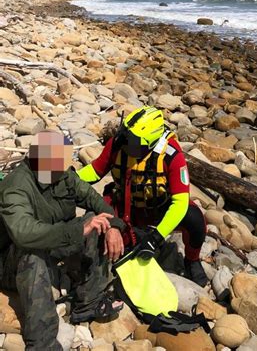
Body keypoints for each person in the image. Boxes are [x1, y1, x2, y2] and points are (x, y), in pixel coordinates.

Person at [0, 131, 125, 351]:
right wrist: (76, 230)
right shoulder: (16, 186)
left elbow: (93, 200)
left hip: (52, 243)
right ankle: (42, 343)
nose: (63, 168)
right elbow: (23, 233)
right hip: (10, 261)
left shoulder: (61, 174)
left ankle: (88, 302)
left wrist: (113, 226)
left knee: (97, 223)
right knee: (33, 253)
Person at [78, 106, 208, 286]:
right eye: (126, 135)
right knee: (98, 230)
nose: (126, 143)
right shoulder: (118, 143)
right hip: (125, 206)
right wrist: (71, 179)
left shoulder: (172, 156)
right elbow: (95, 171)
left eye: (133, 141)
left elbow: (179, 202)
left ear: (150, 143)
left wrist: (156, 238)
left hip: (158, 208)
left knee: (196, 220)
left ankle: (192, 260)